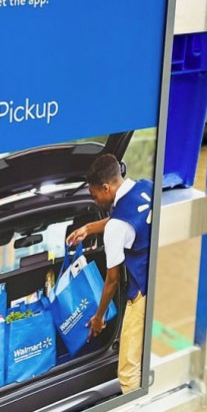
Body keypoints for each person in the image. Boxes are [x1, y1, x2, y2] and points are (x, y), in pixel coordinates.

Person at [66, 153, 152, 393]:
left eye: (95, 195)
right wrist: (88, 228)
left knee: (127, 373)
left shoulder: (115, 228)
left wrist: (98, 318)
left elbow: (112, 281)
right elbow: (126, 217)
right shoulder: (146, 186)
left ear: (106, 188)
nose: (95, 201)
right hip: (158, 278)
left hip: (141, 295)